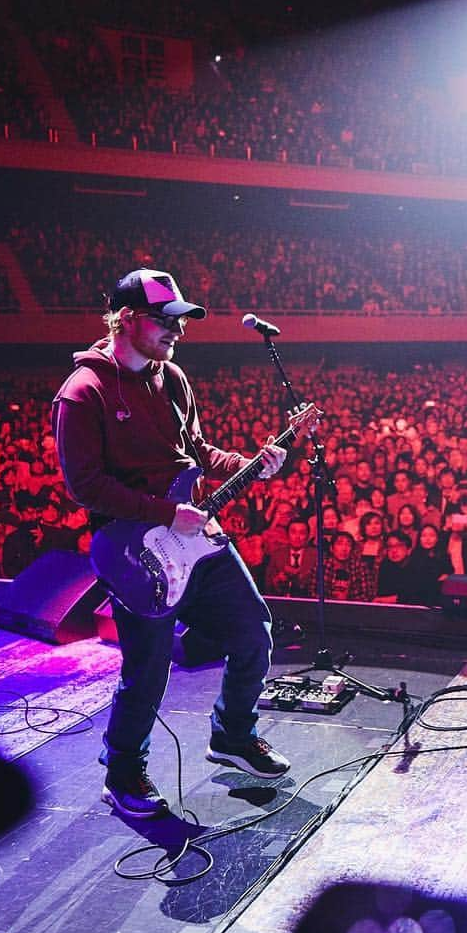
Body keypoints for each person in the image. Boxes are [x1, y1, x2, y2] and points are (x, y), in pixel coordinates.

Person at [52, 268, 293, 820]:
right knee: (149, 666)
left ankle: (233, 735)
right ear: (128, 320)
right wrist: (165, 513)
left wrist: (248, 466)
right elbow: (84, 485)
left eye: (180, 323)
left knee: (253, 630)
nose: (177, 333)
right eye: (166, 322)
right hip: (135, 549)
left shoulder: (173, 377)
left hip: (195, 535)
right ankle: (123, 771)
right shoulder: (83, 393)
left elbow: (197, 450)